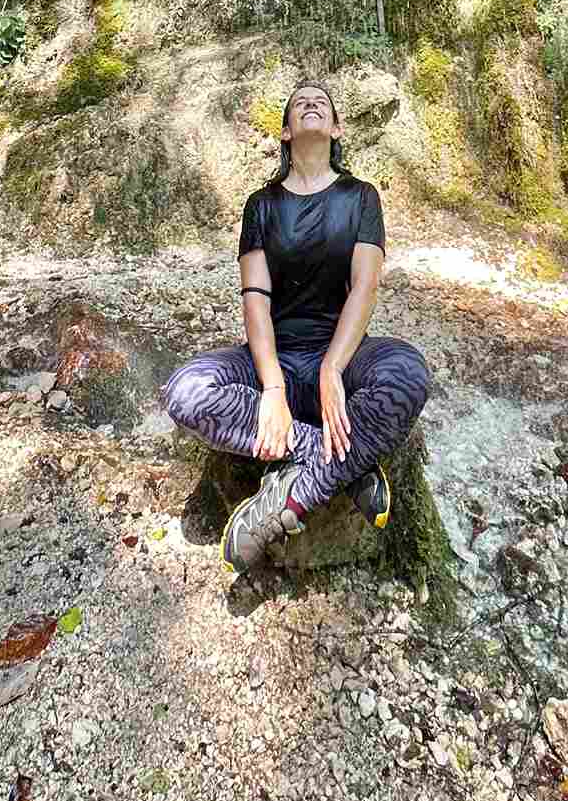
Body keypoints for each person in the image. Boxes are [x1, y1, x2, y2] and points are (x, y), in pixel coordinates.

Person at [163, 81, 431, 573]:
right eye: (299, 102)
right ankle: (342, 465)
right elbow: (256, 302)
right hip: (274, 359)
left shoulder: (361, 197)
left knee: (409, 373)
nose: (312, 102)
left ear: (336, 128)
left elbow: (365, 288)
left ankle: (294, 492)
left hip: (344, 363)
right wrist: (271, 389)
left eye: (323, 102)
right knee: (185, 391)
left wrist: (332, 368)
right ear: (286, 132)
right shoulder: (261, 205)